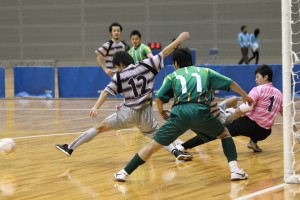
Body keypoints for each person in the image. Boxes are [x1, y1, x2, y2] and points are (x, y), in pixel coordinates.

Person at [113, 47, 254, 182]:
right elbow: (230, 83)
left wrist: (162, 111)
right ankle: (235, 171)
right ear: (190, 60)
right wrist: (245, 96)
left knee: (152, 146)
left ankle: (124, 173)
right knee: (224, 135)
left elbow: (159, 98)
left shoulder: (171, 76)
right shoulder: (205, 71)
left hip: (179, 114)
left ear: (175, 63)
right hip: (201, 111)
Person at [55, 32, 192, 162]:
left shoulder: (119, 76)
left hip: (128, 113)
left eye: (117, 67)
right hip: (146, 112)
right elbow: (165, 52)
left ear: (120, 64)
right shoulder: (146, 65)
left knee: (99, 128)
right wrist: (179, 39)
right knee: (158, 135)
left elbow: (106, 92)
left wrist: (96, 107)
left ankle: (70, 147)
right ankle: (176, 152)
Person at [176, 64, 283, 153]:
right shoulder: (279, 94)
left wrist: (233, 113)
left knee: (215, 132)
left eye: (257, 77)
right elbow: (286, 114)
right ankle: (253, 142)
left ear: (265, 77)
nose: (255, 80)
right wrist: (297, 134)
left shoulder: (258, 89)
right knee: (265, 128)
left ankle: (183, 146)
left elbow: (247, 106)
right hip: (264, 133)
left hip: (249, 125)